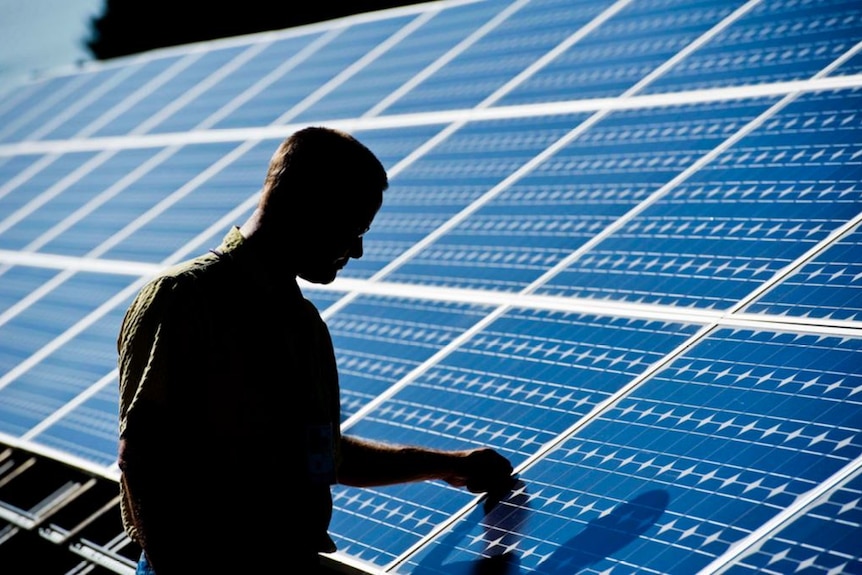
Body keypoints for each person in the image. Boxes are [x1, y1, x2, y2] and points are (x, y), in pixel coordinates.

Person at [116, 126, 515, 574]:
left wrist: (446, 464)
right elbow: (143, 456)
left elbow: (319, 453)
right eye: (354, 228)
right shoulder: (183, 297)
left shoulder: (304, 326)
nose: (359, 251)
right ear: (306, 205)